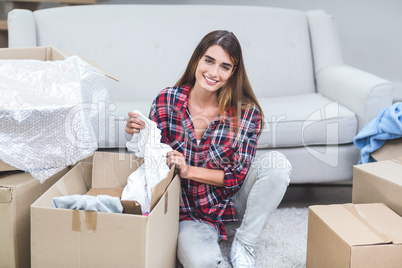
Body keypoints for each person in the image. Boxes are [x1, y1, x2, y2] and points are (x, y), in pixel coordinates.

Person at [126, 30, 291, 268]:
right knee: (201, 263)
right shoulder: (167, 100)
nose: (214, 73)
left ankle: (244, 242)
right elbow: (152, 155)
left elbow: (236, 178)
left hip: (232, 203)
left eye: (225, 66)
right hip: (189, 212)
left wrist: (188, 170)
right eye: (209, 61)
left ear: (233, 72)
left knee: (278, 165)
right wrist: (137, 132)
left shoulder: (246, 113)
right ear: (197, 59)